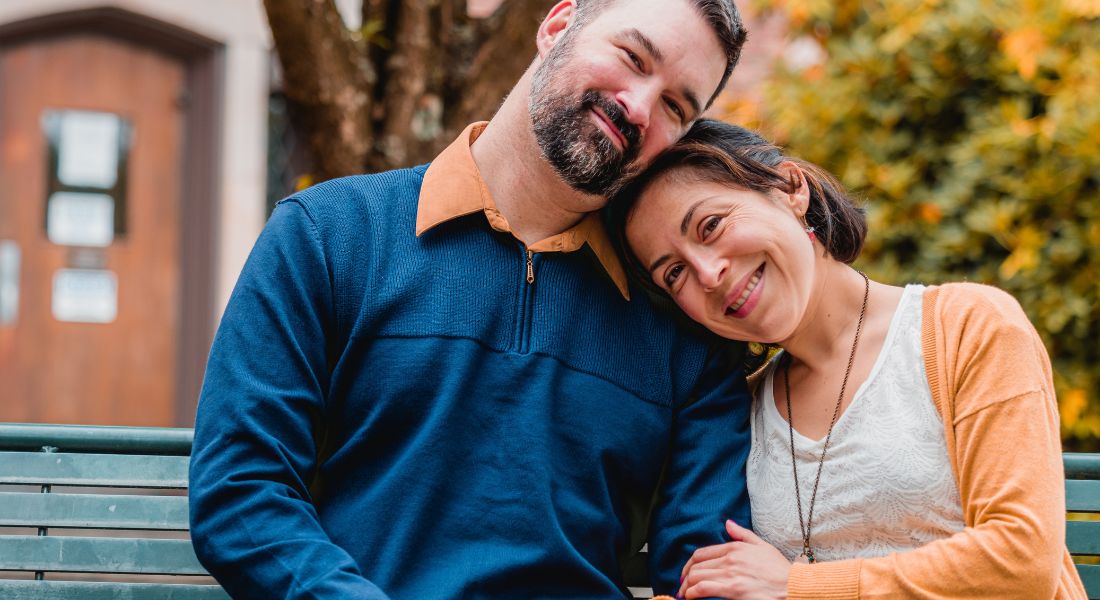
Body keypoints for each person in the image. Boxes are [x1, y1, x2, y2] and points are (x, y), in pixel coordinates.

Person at [189, 1, 752, 598]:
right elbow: (242, 491)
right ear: (558, 26)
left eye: (674, 107)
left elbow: (706, 570)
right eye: (633, 57)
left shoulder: (685, 323)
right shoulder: (327, 234)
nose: (638, 107)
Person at [611, 119, 1088, 599]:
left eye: (711, 226)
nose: (708, 274)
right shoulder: (742, 413)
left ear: (790, 188)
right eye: (674, 274)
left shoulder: (968, 326)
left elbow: (1021, 561)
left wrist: (797, 586)